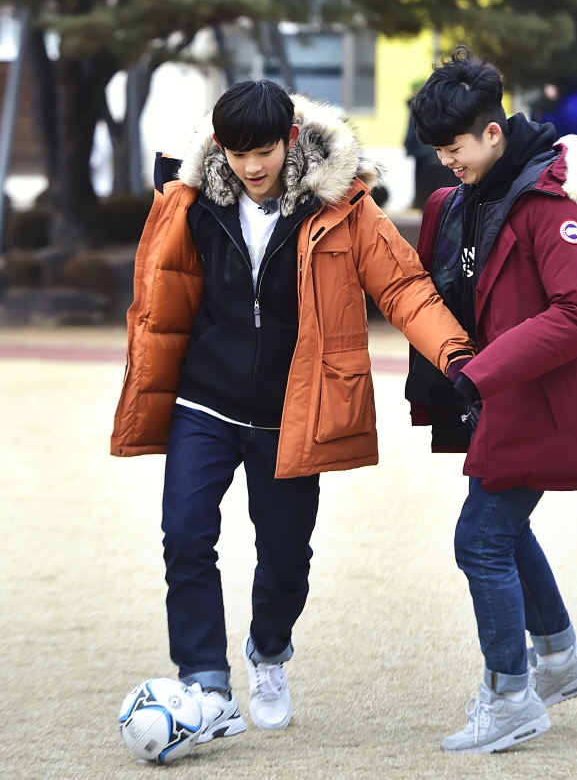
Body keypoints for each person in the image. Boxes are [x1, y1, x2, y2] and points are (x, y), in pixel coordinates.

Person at [111, 79, 474, 743]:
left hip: (292, 412)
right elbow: (160, 292)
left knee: (284, 558)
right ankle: (206, 682)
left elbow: (402, 286)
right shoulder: (190, 201)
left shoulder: (342, 205)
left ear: (291, 139)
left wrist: (456, 356)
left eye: (265, 151)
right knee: (185, 536)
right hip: (204, 401)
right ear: (220, 146)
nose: (253, 167)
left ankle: (269, 650)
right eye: (238, 153)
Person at [407, 47, 577, 755]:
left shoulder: (551, 200)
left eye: (455, 148)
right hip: (509, 398)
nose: (448, 162)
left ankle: (509, 697)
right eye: (439, 151)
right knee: (503, 529)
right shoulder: (478, 194)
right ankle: (558, 656)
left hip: (538, 399)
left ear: (492, 132)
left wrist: (481, 372)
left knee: (481, 538)